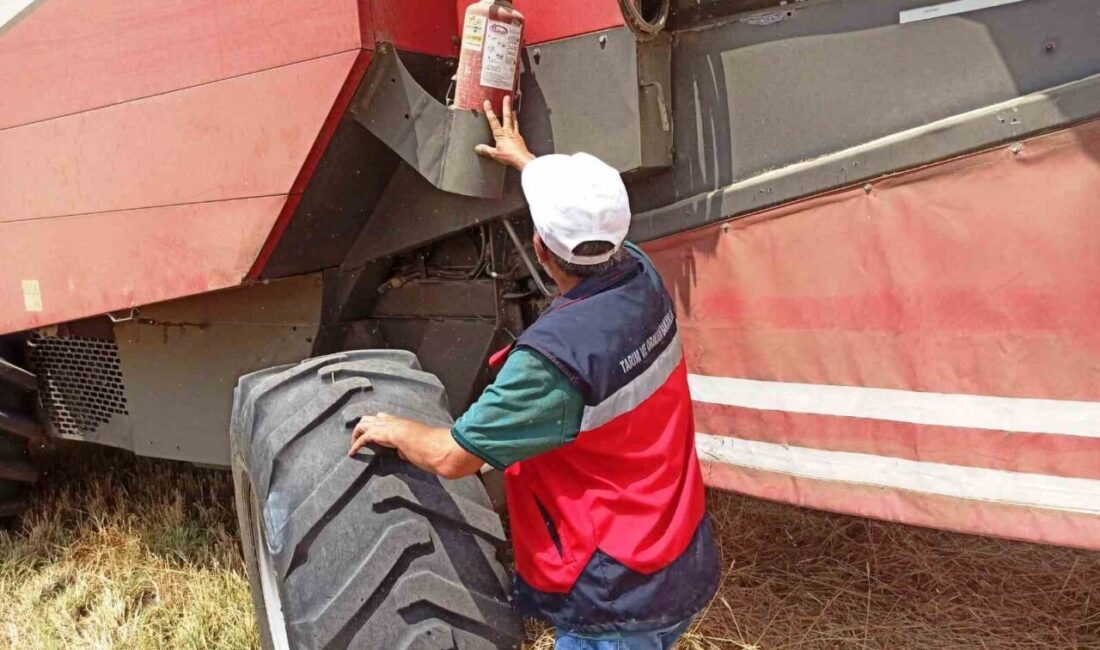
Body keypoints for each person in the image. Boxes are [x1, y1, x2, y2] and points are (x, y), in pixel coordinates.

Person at [350, 97, 719, 650]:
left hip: (616, 598)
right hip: (678, 556)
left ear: (540, 250)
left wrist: (399, 429)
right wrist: (529, 163)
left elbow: (454, 457)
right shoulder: (639, 274)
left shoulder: (553, 361)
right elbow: (593, 227)